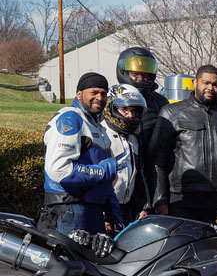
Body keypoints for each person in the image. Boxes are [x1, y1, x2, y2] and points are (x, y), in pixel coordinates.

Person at [151, 64, 217, 221]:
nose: (210, 88)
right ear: (195, 83)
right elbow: (157, 159)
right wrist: (160, 199)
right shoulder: (171, 113)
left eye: (215, 84)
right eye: (205, 83)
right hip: (182, 201)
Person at [40, 72, 122, 235]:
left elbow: (105, 182)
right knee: (69, 261)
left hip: (92, 211)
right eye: (94, 92)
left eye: (103, 94)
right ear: (79, 94)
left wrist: (115, 216)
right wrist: (104, 170)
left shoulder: (96, 124)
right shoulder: (70, 118)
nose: (99, 97)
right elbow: (59, 170)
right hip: (69, 210)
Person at [116, 47, 169, 215]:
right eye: (135, 74)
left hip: (155, 175)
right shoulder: (113, 98)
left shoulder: (160, 102)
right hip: (124, 179)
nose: (141, 78)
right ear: (124, 71)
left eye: (146, 74)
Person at [101, 84, 148, 227]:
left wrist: (143, 206)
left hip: (126, 208)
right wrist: (100, 214)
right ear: (112, 108)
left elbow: (138, 173)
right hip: (103, 208)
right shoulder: (100, 133)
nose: (130, 115)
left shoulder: (133, 138)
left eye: (133, 111)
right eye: (125, 110)